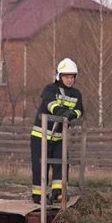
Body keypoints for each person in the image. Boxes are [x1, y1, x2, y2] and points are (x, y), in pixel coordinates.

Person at [29, 58, 83, 204]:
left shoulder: (76, 94)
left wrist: (73, 114)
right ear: (59, 76)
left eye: (72, 77)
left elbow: (79, 110)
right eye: (66, 77)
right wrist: (61, 111)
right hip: (41, 135)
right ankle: (38, 195)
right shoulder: (50, 89)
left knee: (61, 163)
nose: (69, 80)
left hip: (59, 137)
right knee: (41, 165)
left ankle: (57, 193)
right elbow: (50, 104)